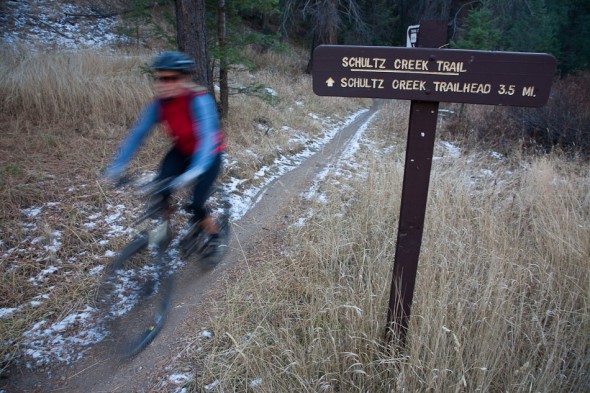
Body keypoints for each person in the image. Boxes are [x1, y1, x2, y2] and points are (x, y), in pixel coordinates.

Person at [104, 51, 224, 249]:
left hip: (209, 155)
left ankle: (214, 234)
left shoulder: (199, 100)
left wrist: (195, 170)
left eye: (172, 78)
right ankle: (164, 232)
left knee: (196, 204)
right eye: (160, 78)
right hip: (181, 151)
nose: (164, 84)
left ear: (185, 79)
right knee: (160, 190)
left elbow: (207, 137)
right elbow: (138, 134)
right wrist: (118, 165)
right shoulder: (158, 105)